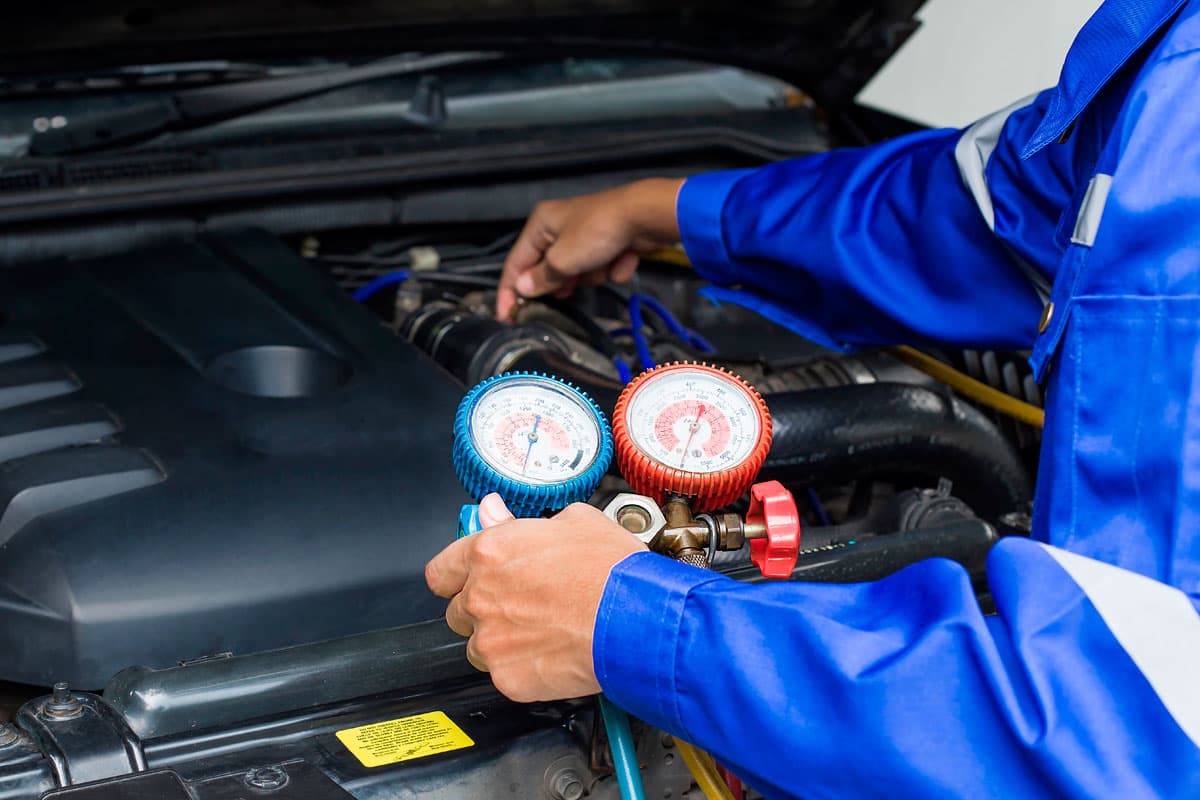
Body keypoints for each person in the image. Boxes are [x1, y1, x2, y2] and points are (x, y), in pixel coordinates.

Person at [424, 0, 1200, 796]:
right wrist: (665, 211)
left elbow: (1123, 737)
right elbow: (986, 204)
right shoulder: (1167, 55)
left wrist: (632, 624)